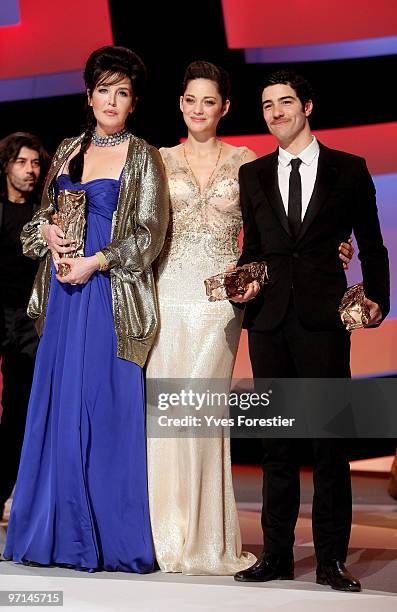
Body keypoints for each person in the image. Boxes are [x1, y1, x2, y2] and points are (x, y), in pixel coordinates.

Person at [145, 61, 353, 575]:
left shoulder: (246, 163)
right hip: (168, 298)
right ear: (180, 105)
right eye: (190, 100)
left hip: (223, 304)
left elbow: (274, 233)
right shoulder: (155, 159)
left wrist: (335, 249)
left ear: (225, 107)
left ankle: (209, 536)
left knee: (208, 413)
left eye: (209, 101)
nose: (198, 110)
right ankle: (161, 532)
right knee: (166, 414)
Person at [3, 46, 169, 573]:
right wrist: (48, 231)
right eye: (104, 90)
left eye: (122, 92)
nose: (112, 100)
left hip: (108, 298)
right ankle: (53, 533)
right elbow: (35, 228)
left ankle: (106, 539)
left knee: (104, 408)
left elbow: (149, 236)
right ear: (89, 94)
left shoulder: (144, 156)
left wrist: (97, 260)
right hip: (62, 298)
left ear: (134, 102)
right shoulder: (69, 150)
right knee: (58, 408)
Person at [232, 70, 390, 592]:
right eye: (267, 105)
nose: (276, 112)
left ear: (308, 106)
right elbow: (253, 251)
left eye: (285, 102)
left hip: (324, 323)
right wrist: (245, 284)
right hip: (270, 323)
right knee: (276, 445)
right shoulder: (253, 175)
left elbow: (372, 243)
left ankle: (331, 561)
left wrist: (378, 302)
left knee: (328, 446)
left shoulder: (349, 169)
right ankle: (275, 555)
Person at [0, 132, 49, 522]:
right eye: (22, 162)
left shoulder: (43, 215)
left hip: (30, 322)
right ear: (6, 165)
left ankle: (10, 495)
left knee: (20, 411)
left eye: (35, 163)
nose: (30, 170)